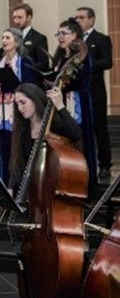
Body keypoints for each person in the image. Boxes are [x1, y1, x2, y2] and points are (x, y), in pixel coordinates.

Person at [0, 28, 36, 186]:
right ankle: (0, 186)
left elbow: (28, 87)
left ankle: (16, 186)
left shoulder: (24, 62)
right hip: (0, 114)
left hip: (16, 113)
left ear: (17, 42)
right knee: (0, 151)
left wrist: (8, 86)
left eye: (8, 37)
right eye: (3, 37)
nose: (4, 41)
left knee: (15, 151)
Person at [9, 84, 83, 192]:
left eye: (23, 102)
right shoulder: (23, 130)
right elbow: (18, 164)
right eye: (17, 104)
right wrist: (11, 187)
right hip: (32, 192)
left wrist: (60, 106)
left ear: (35, 99)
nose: (20, 108)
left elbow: (76, 134)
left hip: (55, 189)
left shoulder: (54, 124)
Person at [51, 18, 97, 189]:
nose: (60, 37)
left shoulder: (83, 56)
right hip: (60, 102)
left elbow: (84, 82)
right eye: (58, 34)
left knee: (79, 140)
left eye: (64, 33)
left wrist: (66, 82)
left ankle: (84, 182)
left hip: (77, 102)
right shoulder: (60, 56)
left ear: (75, 35)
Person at [75, 6, 113, 181]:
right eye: (76, 18)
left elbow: (107, 62)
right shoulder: (74, 40)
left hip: (95, 91)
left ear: (92, 19)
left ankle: (105, 164)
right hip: (78, 91)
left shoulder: (101, 39)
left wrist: (86, 63)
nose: (78, 21)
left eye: (82, 17)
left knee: (100, 128)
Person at [12, 3, 50, 73]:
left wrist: (22, 67)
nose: (16, 21)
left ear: (29, 18)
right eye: (14, 17)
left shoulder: (39, 38)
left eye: (20, 17)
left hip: (30, 80)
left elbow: (44, 65)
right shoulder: (11, 37)